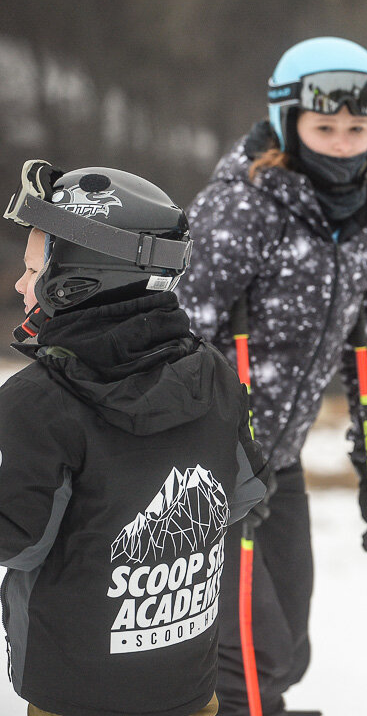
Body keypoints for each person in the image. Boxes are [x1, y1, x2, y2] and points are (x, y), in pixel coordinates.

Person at [175, 36, 367, 715]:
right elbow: (177, 336)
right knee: (252, 650)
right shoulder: (241, 208)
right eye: (324, 127)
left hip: (279, 461)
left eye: (356, 128)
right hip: (207, 460)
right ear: (288, 123)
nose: (342, 143)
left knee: (287, 648)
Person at [0, 160, 269, 716]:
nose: (20, 284)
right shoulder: (213, 371)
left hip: (73, 695)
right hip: (187, 689)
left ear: (78, 279)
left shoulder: (38, 399)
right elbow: (245, 492)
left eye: (32, 269)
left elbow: (18, 541)